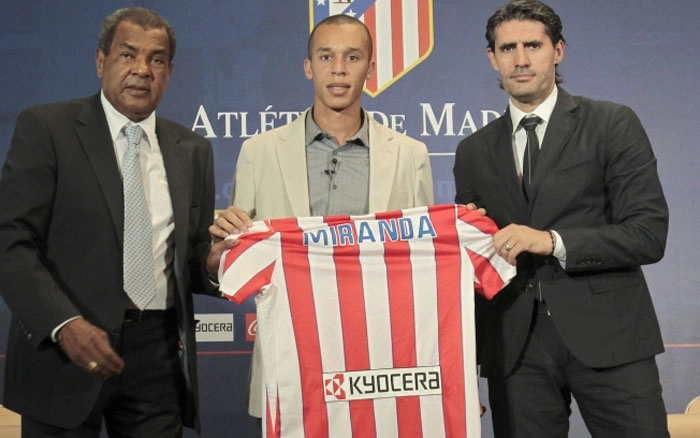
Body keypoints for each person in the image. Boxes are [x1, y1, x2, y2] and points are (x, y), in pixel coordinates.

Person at [0, 7, 225, 436]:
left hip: (158, 356)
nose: (142, 70)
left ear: (170, 71)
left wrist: (213, 263)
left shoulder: (192, 149)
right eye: (128, 55)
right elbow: (10, 241)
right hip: (64, 350)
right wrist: (63, 324)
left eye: (156, 59)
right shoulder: (48, 129)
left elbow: (190, 260)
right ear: (101, 61)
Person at [453, 0, 669, 436]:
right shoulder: (473, 151)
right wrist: (459, 369)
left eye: (533, 44)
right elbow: (469, 266)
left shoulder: (611, 123)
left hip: (611, 338)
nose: (521, 58)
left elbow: (648, 234)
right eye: (508, 47)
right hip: (515, 349)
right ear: (492, 58)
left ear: (558, 50)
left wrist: (552, 241)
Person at [209, 14, 434, 422]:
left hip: (380, 356)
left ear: (370, 67)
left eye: (352, 56)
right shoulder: (260, 152)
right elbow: (232, 260)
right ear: (308, 66)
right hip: (290, 352)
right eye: (326, 56)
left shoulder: (409, 154)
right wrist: (220, 251)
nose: (339, 69)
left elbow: (425, 263)